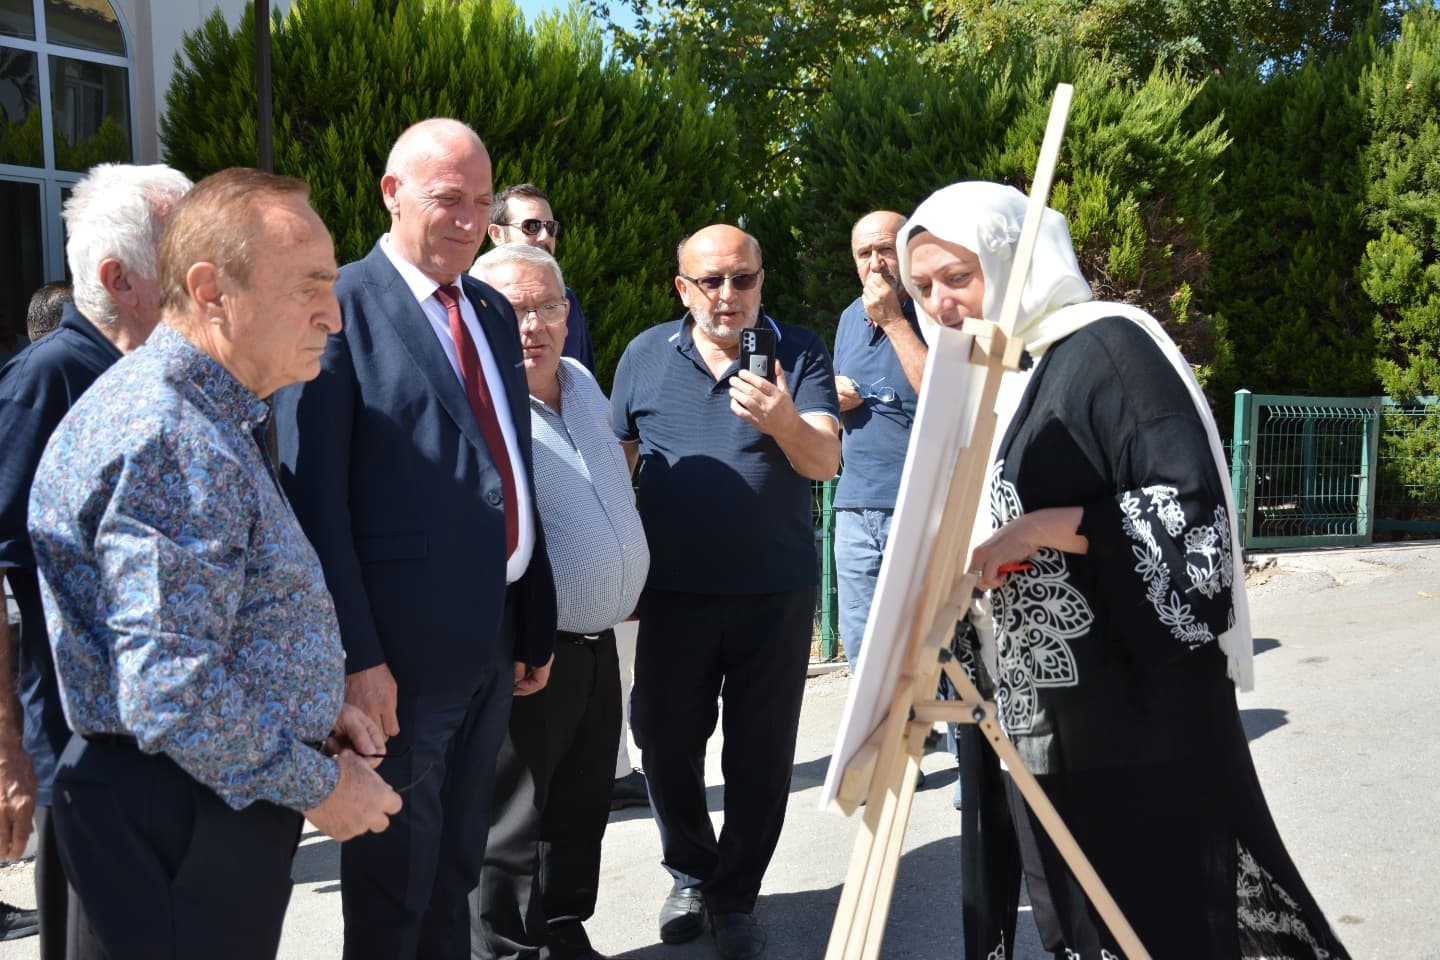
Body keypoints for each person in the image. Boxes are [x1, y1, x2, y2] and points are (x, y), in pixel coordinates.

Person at [899, 181, 1350, 959]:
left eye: (957, 277)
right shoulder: (1026, 367)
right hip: (1060, 717)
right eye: (923, 286)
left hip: (1136, 717)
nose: (939, 302)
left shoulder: (1111, 349)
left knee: (1164, 913)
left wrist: (1040, 529)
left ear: (1011, 262)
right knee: (1089, 913)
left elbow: (1192, 521)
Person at [26, 167, 402, 960]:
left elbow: (208, 623)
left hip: (189, 803)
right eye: (309, 286)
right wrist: (322, 788)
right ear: (211, 290)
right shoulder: (172, 435)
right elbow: (170, 686)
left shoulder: (202, 413)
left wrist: (306, 701)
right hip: (176, 816)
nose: (332, 314)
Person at [275, 118, 557, 960]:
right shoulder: (338, 308)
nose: (470, 219)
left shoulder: (492, 312)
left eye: (482, 201)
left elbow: (511, 468)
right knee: (395, 882)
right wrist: (356, 663)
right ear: (392, 193)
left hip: (493, 640)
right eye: (448, 199)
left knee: (457, 869)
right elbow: (314, 503)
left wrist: (530, 615)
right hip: (393, 668)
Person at [610, 225, 840, 960]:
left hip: (774, 590)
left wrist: (780, 418)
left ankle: (735, 896)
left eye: (742, 279)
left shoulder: (797, 350)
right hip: (674, 591)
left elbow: (825, 461)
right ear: (683, 288)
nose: (728, 295)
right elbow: (617, 466)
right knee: (664, 740)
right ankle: (689, 871)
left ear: (761, 281)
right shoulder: (645, 355)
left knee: (760, 753)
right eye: (711, 281)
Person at [0, 162, 192, 960]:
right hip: (88, 760)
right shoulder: (48, 381)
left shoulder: (166, 375)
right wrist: (6, 744)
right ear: (120, 277)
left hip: (176, 743)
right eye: (181, 257)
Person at [469, 244, 649, 960]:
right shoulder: (482, 402)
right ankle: (507, 948)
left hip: (598, 642)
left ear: (567, 313)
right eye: (512, 309)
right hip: (531, 648)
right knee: (513, 818)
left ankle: (564, 928)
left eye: (546, 305)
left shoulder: (578, 379)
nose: (532, 324)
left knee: (580, 807)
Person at [831, 210, 927, 668]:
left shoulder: (933, 309)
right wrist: (832, 396)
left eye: (885, 249)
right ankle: (877, 740)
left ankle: (943, 741)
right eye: (864, 253)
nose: (875, 263)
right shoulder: (849, 317)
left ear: (908, 250)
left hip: (919, 504)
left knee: (926, 650)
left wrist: (892, 319)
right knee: (864, 653)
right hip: (853, 507)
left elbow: (944, 393)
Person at [486, 183, 596, 375]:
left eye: (550, 227)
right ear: (497, 234)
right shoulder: (474, 302)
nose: (545, 236)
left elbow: (582, 376)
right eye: (532, 226)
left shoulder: (566, 300)